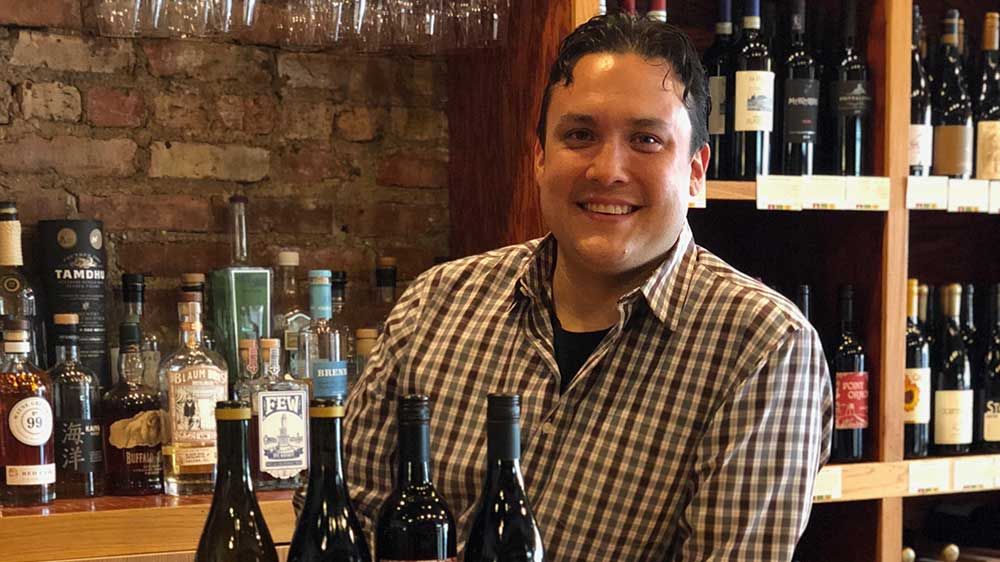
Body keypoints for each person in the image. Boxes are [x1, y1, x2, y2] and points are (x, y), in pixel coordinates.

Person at [345, 13, 832, 561]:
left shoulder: (761, 347)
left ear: (696, 172)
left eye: (646, 139)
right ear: (539, 158)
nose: (608, 170)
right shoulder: (437, 304)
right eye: (580, 135)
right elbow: (348, 521)